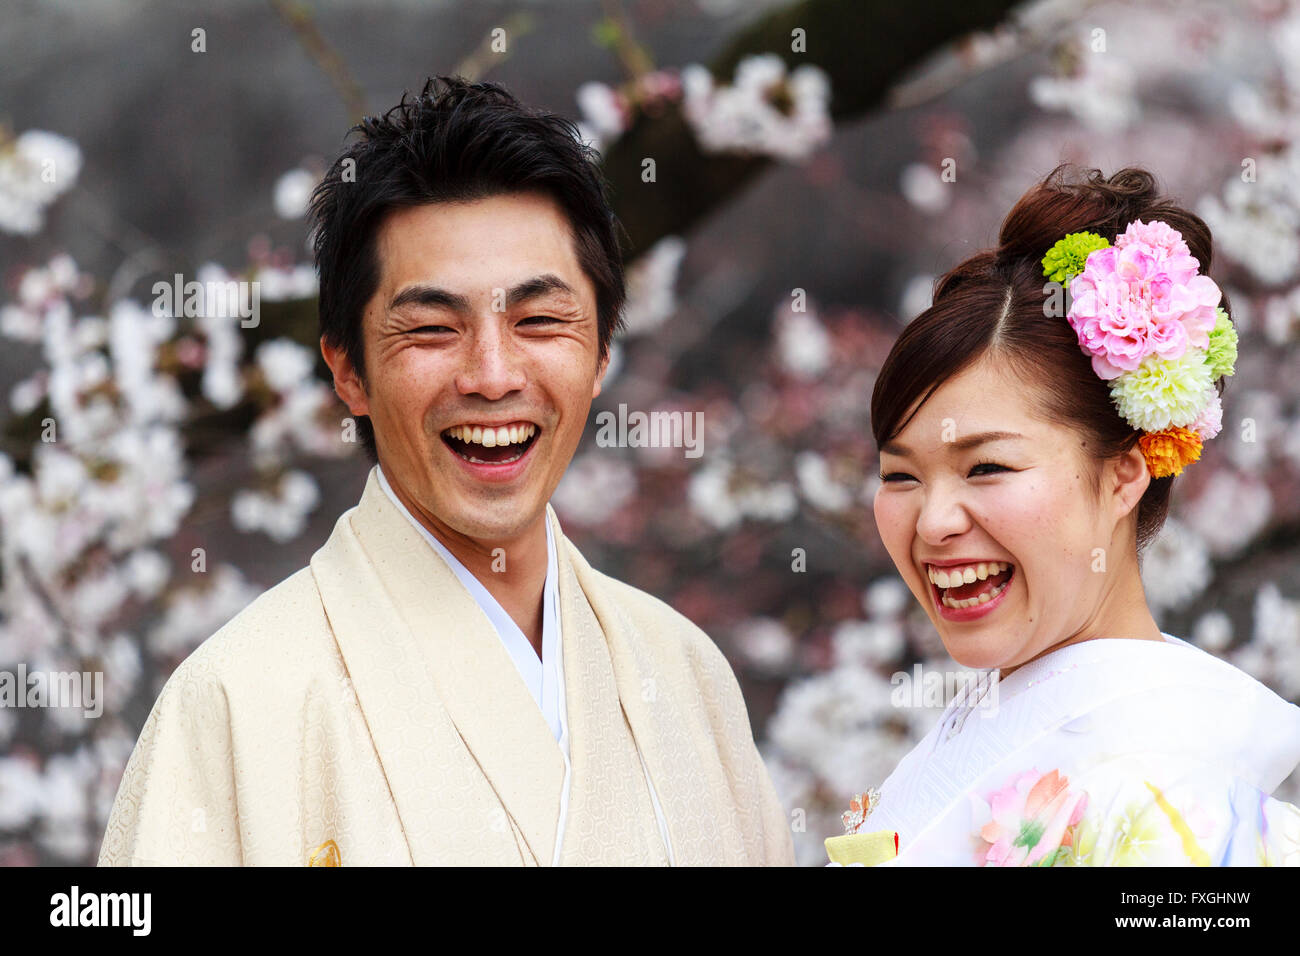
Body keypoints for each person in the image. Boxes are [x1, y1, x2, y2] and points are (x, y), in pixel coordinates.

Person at [99, 76, 794, 867]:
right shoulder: (236, 702)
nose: (492, 375)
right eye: (431, 327)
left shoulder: (685, 675)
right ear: (348, 371)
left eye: (538, 320)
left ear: (600, 352)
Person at [825, 165, 1300, 867]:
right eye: (899, 475)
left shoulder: (1166, 802)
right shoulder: (1009, 722)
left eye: (987, 467)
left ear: (1123, 474)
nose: (933, 523)